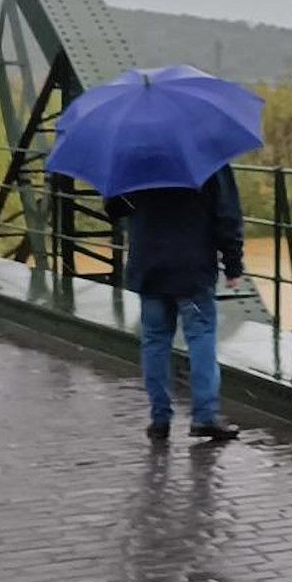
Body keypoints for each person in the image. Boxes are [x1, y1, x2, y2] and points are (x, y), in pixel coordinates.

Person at [107, 165, 246, 442]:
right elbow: (227, 214)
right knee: (201, 336)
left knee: (155, 341)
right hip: (192, 266)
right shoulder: (207, 158)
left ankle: (159, 419)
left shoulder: (135, 159)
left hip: (148, 265)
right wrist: (233, 263)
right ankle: (204, 416)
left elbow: (114, 208)